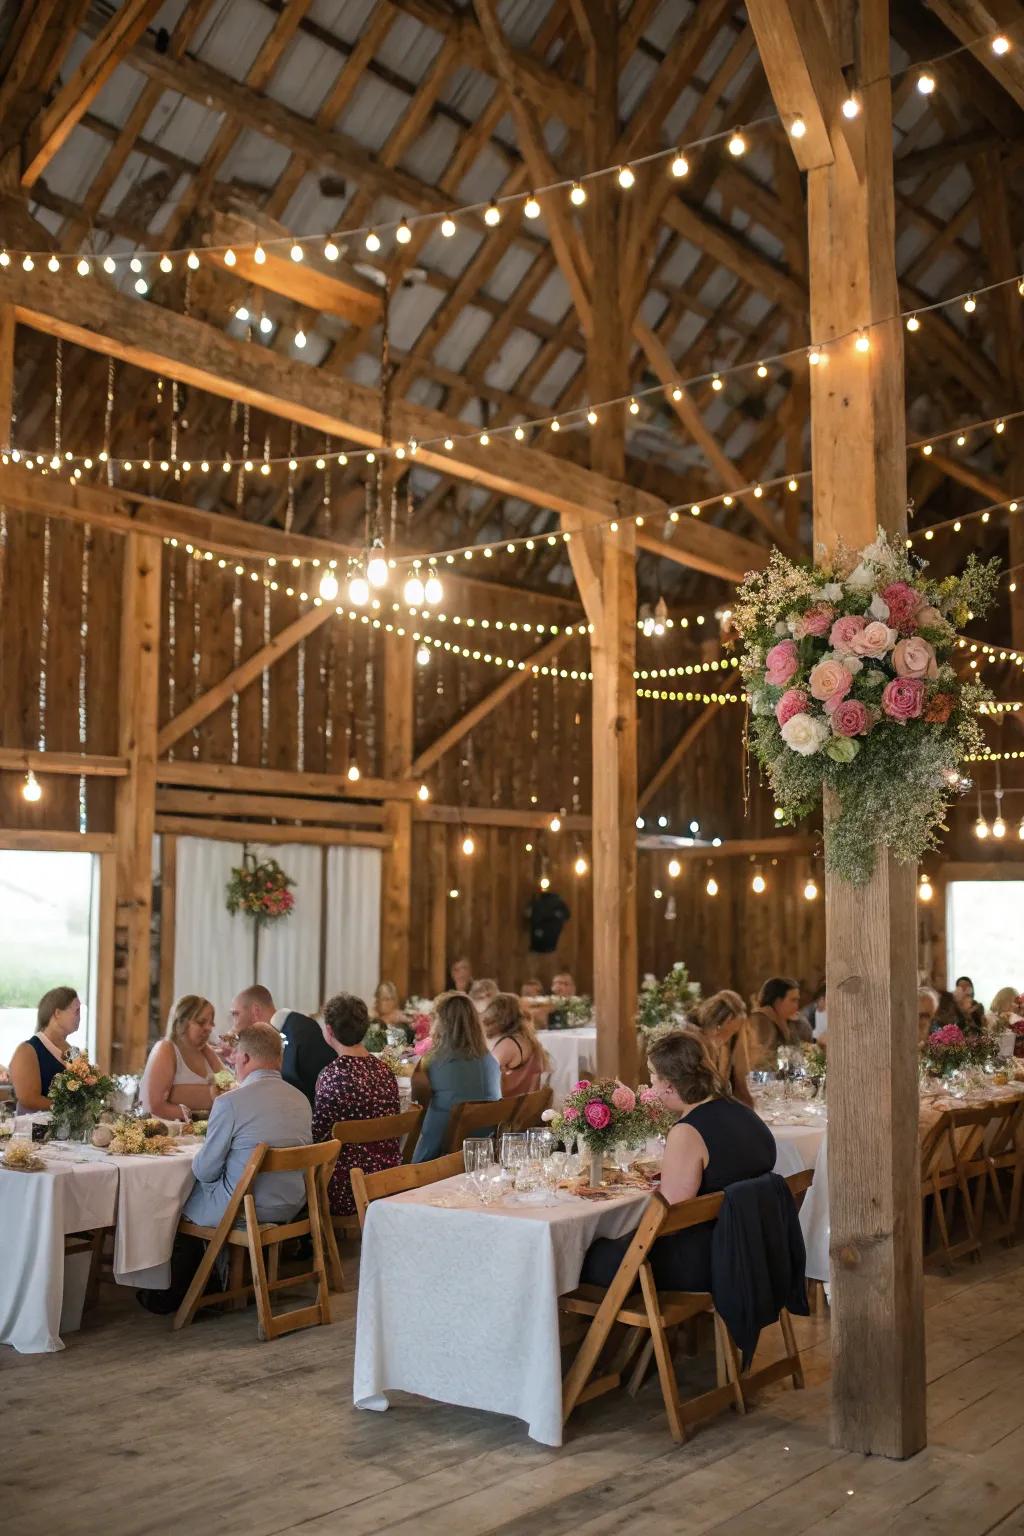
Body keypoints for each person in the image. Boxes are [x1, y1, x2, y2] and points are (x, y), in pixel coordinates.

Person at [137, 1022, 312, 1315]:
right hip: (291, 1204)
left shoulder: (230, 1103)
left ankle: (175, 1291)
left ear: (245, 1057)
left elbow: (205, 1171)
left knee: (173, 1200)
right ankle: (218, 1279)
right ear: (279, 1059)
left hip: (245, 1209)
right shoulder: (301, 1099)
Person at [580, 1030, 777, 1290]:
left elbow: (667, 1219)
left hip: (708, 1261)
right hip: (757, 1249)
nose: (651, 1086)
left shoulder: (688, 1132)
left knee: (587, 1255)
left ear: (670, 1086)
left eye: (652, 1077)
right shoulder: (744, 1112)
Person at [313, 992, 401, 1216]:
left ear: (329, 1031)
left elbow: (318, 1140)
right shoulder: (385, 1071)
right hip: (389, 1180)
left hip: (347, 1188)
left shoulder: (331, 1076)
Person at [410, 991, 501, 1162]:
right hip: (482, 1145)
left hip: (439, 1151)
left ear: (441, 1023)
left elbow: (417, 1106)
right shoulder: (490, 1060)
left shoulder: (433, 1061)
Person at [230, 984, 335, 1106]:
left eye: (236, 1014)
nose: (234, 1024)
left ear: (256, 1011)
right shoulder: (283, 1032)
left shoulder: (299, 1033)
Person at [140, 995, 223, 1120]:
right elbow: (152, 1105)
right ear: (181, 1023)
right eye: (201, 1022)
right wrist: (198, 1113)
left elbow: (229, 1087)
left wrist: (179, 1094)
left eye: (211, 1023)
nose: (209, 1028)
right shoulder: (166, 1049)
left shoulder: (207, 1052)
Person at [9, 986, 81, 1111]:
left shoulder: (73, 1052)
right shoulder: (27, 1051)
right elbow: (29, 1099)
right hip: (34, 1122)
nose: (79, 1017)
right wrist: (71, 1108)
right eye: (77, 1011)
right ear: (58, 1013)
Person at [686, 990, 754, 1108]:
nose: (731, 1035)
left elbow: (741, 1076)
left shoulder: (724, 1044)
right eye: (732, 1031)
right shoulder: (690, 1042)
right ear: (723, 1023)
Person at [482, 993, 550, 1096]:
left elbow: (483, 1075)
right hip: (526, 1102)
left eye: (489, 1020)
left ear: (498, 1019)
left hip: (508, 1103)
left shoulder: (508, 1044)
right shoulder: (528, 1039)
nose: (485, 1023)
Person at [747, 977, 811, 1066]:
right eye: (793, 1000)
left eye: (797, 1000)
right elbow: (762, 1062)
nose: (796, 1006)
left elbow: (808, 1052)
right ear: (777, 1002)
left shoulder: (799, 1023)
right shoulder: (761, 1021)